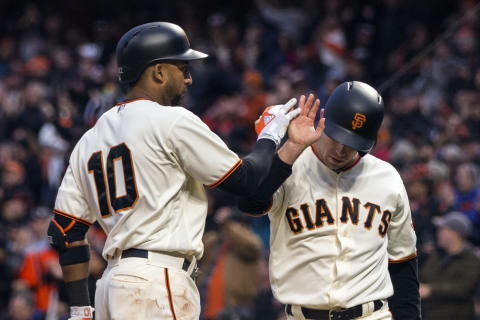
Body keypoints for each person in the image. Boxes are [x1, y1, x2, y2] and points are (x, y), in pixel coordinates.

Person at [46, 22, 323, 320]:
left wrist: (80, 308)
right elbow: (245, 182)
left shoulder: (90, 138)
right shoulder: (171, 120)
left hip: (110, 289)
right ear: (159, 72)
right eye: (183, 67)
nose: (189, 79)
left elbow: (65, 231)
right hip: (156, 283)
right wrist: (270, 135)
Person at [238, 81, 421, 320]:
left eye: (352, 144)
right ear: (323, 120)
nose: (340, 150)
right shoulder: (287, 165)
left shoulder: (387, 178)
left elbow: (403, 261)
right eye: (336, 137)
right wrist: (291, 148)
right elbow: (250, 202)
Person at [419, 211, 480, 320]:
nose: (438, 233)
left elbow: (463, 288)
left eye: (442, 229)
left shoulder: (471, 259)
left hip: (456, 315)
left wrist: (431, 290)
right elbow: (423, 276)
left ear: (455, 233)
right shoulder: (437, 255)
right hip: (428, 313)